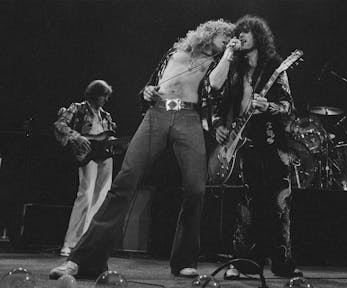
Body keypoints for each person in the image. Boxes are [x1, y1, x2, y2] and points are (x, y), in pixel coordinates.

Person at [49, 19, 234, 279]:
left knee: (195, 188)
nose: (227, 42)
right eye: (224, 38)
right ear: (210, 33)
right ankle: (83, 260)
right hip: (156, 115)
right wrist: (147, 92)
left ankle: (184, 260)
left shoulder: (219, 63)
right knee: (125, 182)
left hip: (188, 118)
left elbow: (213, 87)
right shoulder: (174, 53)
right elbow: (150, 86)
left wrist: (227, 55)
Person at [209, 15, 302, 278]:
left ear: (259, 36)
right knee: (247, 207)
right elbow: (216, 97)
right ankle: (244, 262)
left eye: (248, 31)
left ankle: (282, 262)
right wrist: (217, 124)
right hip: (244, 145)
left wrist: (268, 107)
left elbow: (288, 106)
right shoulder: (234, 68)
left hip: (273, 144)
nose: (242, 35)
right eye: (240, 31)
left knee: (279, 205)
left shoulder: (275, 67)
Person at [53, 80, 115, 257]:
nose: (106, 99)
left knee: (101, 199)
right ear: (95, 94)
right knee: (85, 196)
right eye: (104, 95)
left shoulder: (106, 115)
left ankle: (86, 242)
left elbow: (109, 135)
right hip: (87, 155)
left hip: (105, 156)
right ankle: (70, 243)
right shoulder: (78, 107)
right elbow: (59, 125)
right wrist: (76, 136)